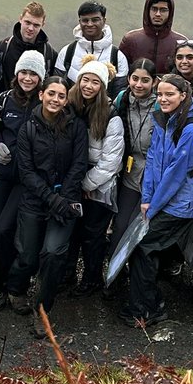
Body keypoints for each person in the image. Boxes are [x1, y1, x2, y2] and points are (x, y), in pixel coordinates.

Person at [5, 76, 89, 337]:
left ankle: (43, 310)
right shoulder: (27, 128)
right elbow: (26, 172)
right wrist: (51, 198)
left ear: (67, 100)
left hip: (66, 200)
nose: (55, 99)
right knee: (28, 255)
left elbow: (79, 163)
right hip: (35, 200)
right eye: (51, 94)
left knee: (53, 253)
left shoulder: (76, 127)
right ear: (41, 94)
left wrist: (63, 196)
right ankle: (15, 288)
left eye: (61, 96)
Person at [122, 74, 193, 326]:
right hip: (162, 200)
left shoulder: (191, 129)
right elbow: (152, 162)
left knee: (143, 246)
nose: (163, 98)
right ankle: (147, 302)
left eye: (170, 94)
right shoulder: (162, 120)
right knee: (145, 247)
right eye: (160, 94)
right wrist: (147, 199)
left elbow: (177, 174)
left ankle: (147, 308)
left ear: (183, 95)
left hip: (182, 204)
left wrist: (154, 205)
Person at [0, 50, 45, 312]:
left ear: (41, 77)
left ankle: (9, 285)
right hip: (1, 172)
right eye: (24, 72)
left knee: (6, 227)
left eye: (33, 74)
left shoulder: (44, 104)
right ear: (16, 73)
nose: (28, 78)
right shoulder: (3, 99)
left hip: (25, 178)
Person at [65, 60, 125, 296]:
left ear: (103, 86)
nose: (88, 86)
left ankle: (92, 279)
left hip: (99, 183)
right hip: (75, 176)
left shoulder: (111, 115)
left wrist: (86, 183)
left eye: (95, 82)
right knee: (72, 231)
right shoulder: (71, 106)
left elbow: (111, 160)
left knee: (93, 234)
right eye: (85, 80)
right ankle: (67, 274)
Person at [104, 58, 157, 297]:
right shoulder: (122, 100)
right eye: (135, 78)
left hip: (154, 180)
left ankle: (140, 287)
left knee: (143, 234)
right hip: (129, 174)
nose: (139, 84)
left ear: (154, 82)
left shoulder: (161, 105)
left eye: (145, 80)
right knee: (120, 229)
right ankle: (115, 278)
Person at [53, 0, 129, 96]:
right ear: (79, 21)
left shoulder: (117, 57)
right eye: (85, 20)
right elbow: (58, 87)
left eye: (95, 20)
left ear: (104, 21)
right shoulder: (67, 52)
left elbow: (119, 95)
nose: (89, 24)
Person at [119, 0, 188, 74]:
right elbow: (120, 74)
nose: (158, 14)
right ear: (147, 10)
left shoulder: (180, 43)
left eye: (163, 10)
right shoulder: (130, 40)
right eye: (154, 9)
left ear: (170, 13)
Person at [0, 1, 58, 92]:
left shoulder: (49, 54)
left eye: (36, 25)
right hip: (6, 103)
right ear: (20, 19)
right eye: (27, 22)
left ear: (43, 25)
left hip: (37, 105)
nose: (30, 28)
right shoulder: (3, 47)